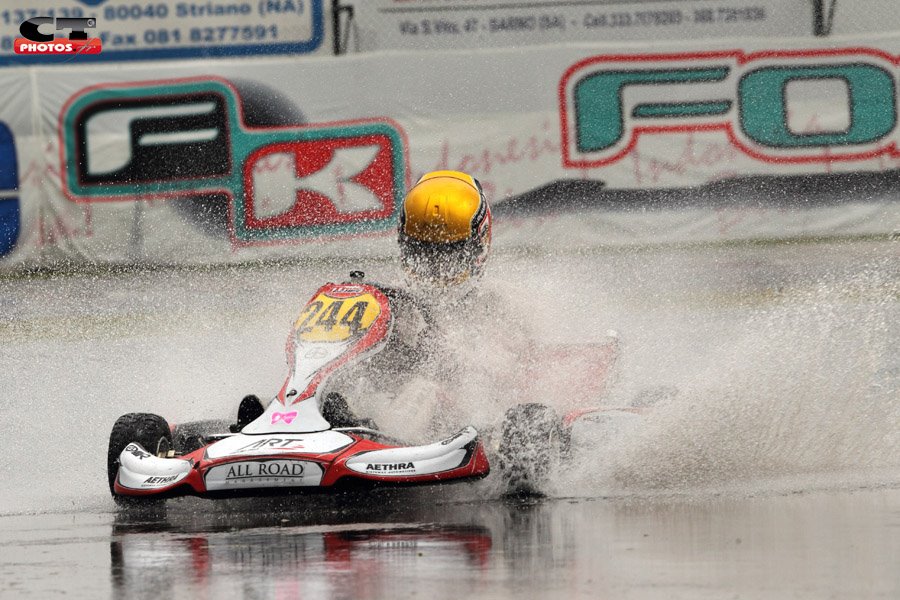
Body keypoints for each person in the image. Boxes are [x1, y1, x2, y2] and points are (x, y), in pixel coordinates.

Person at [232, 170, 497, 434]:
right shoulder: (398, 301)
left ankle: (380, 437)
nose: (433, 268)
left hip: (454, 420)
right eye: (422, 252)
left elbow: (499, 380)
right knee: (350, 378)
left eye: (447, 256)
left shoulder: (496, 311)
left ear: (478, 248)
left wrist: (446, 354)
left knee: (425, 389)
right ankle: (281, 416)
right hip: (372, 406)